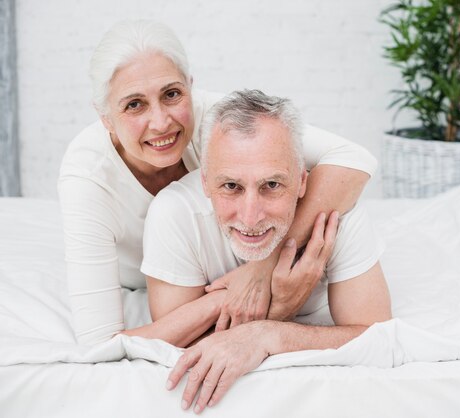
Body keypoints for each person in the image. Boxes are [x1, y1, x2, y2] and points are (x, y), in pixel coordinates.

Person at [57, 20, 378, 346]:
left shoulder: (217, 119)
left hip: (219, 271)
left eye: (172, 94)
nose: (161, 122)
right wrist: (236, 300)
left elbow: (354, 159)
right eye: (134, 104)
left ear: (190, 88)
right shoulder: (86, 178)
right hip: (156, 286)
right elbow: (99, 343)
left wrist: (264, 266)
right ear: (105, 117)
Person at [141, 89, 392, 412]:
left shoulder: (335, 214)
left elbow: (380, 340)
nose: (250, 217)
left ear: (303, 182)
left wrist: (270, 334)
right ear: (205, 183)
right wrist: (268, 304)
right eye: (231, 186)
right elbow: (181, 352)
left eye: (272, 185)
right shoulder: (175, 214)